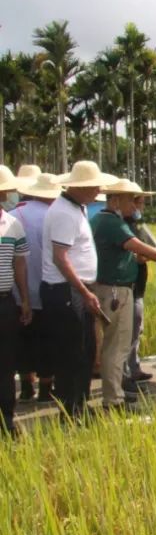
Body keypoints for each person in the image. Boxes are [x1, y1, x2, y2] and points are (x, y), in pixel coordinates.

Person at [93, 179, 156, 410]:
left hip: (113, 288)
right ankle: (114, 399)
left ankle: (117, 391)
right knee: (117, 346)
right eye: (132, 200)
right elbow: (138, 246)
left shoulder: (103, 219)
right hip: (115, 290)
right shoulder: (112, 222)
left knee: (116, 345)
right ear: (116, 200)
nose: (135, 206)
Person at [40, 161, 118, 418]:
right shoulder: (64, 212)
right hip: (66, 291)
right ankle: (70, 411)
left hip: (76, 289)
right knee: (73, 353)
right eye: (93, 186)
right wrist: (84, 292)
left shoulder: (77, 208)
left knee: (84, 351)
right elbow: (60, 258)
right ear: (79, 187)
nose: (98, 191)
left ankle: (79, 406)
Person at [12, 172, 58, 402]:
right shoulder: (52, 216)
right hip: (47, 289)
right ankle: (46, 389)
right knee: (47, 340)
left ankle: (27, 384)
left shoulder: (10, 217)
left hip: (16, 293)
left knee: (22, 340)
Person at [0, 166, 32, 433]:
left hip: (4, 303)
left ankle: (6, 420)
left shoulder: (12, 224)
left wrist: (24, 299)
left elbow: (19, 263)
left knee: (6, 365)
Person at [122, 191, 156, 394]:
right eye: (140, 203)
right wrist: (148, 255)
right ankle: (127, 375)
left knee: (137, 330)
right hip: (131, 288)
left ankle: (134, 368)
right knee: (130, 332)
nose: (141, 208)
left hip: (139, 287)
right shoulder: (123, 227)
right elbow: (133, 257)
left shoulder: (134, 226)